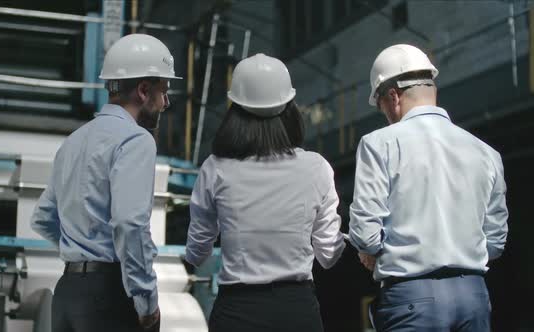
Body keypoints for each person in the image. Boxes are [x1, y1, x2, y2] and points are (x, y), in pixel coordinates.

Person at [349, 44, 509, 331]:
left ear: (393, 97)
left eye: (381, 105)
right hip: (474, 297)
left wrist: (372, 251)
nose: (384, 113)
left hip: (411, 298)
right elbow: (495, 243)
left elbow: (365, 236)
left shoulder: (378, 144)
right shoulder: (487, 153)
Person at [30, 33, 181, 332]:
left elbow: (43, 218)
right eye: (164, 91)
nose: (165, 103)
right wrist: (146, 302)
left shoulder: (74, 141)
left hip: (67, 295)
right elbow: (129, 223)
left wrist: (80, 247)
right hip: (109, 295)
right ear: (143, 90)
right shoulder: (137, 140)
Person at [185, 53, 346, 332]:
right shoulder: (316, 167)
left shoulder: (216, 168)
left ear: (234, 109)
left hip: (236, 311)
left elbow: (198, 253)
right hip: (296, 311)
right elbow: (328, 256)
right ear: (289, 107)